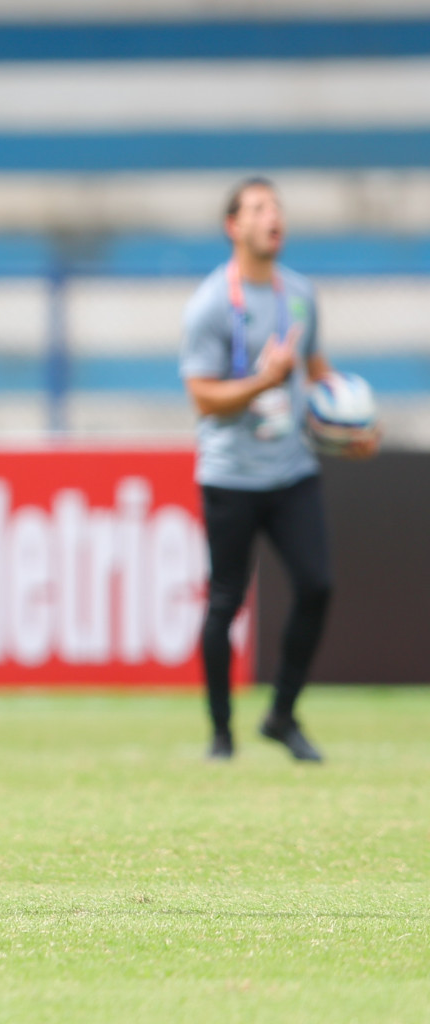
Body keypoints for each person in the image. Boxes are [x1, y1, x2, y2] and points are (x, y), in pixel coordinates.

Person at [180, 177, 379, 763]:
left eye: (278, 207)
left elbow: (315, 368)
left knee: (317, 585)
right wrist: (262, 383)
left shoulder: (300, 295)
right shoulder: (212, 304)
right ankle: (221, 734)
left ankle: (282, 714)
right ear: (233, 226)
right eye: (260, 208)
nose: (274, 217)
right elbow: (202, 398)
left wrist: (351, 427)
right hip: (232, 473)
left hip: (291, 470)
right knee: (225, 602)